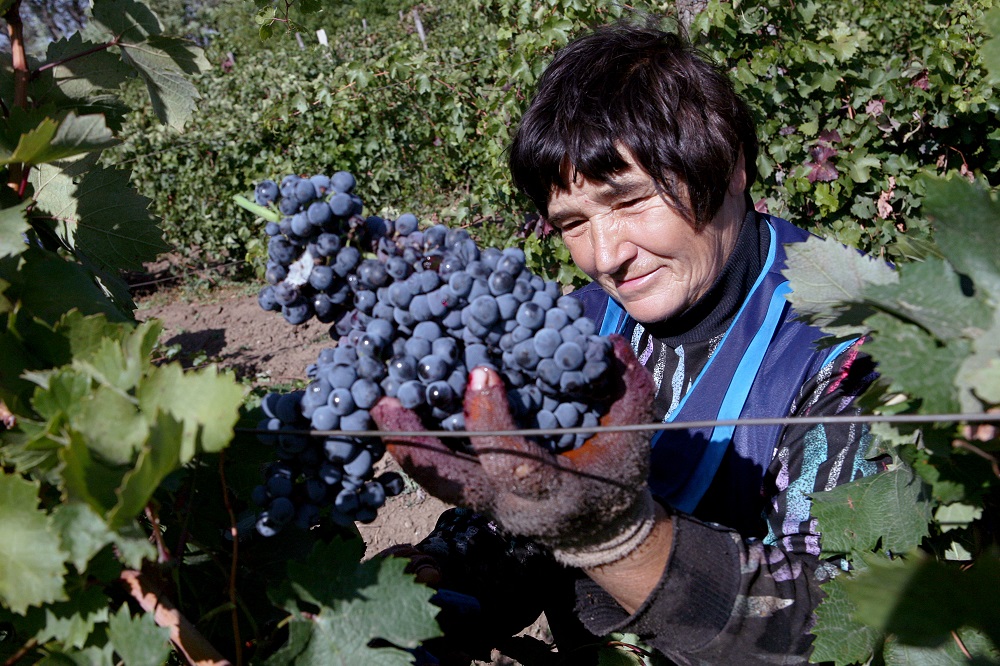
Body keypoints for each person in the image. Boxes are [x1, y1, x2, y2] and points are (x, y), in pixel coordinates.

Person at [372, 19, 885, 665]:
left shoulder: (853, 354)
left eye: (631, 201)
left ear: (730, 166)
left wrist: (613, 538)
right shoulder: (582, 324)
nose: (606, 256)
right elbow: (527, 523)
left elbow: (843, 630)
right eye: (574, 223)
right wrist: (444, 576)